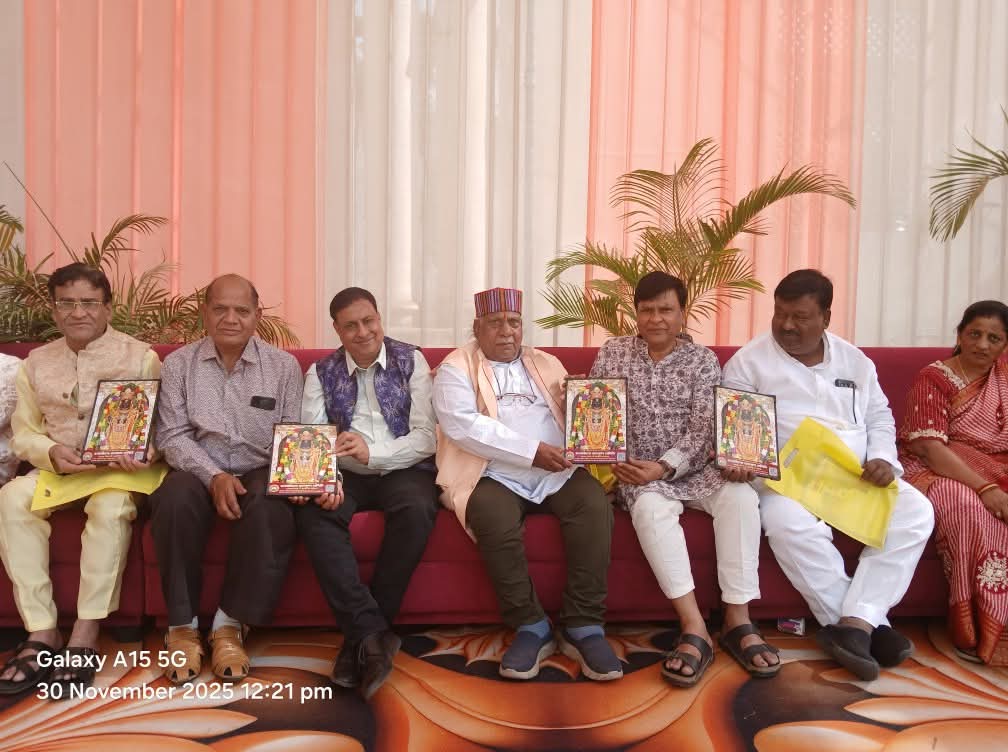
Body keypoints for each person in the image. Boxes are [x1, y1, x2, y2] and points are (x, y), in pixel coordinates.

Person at [722, 269, 935, 681]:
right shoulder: (748, 363)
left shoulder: (855, 361)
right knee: (784, 523)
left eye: (800, 317)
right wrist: (740, 460)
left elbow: (879, 416)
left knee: (916, 513)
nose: (786, 325)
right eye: (780, 314)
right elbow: (739, 435)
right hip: (789, 481)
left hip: (854, 477)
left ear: (826, 317)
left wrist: (883, 458)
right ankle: (865, 625)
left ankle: (854, 624)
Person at [589, 272, 778, 687]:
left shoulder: (702, 360)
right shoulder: (613, 352)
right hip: (638, 473)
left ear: (682, 313)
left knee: (741, 498)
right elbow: (597, 411)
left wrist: (665, 465)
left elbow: (703, 429)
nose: (656, 319)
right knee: (649, 509)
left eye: (666, 310)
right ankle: (694, 627)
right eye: (647, 310)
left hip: (695, 468)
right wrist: (608, 457)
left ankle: (738, 619)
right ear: (636, 313)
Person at [433, 287, 622, 682]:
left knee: (592, 504)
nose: (507, 331)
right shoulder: (455, 367)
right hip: (492, 472)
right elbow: (462, 425)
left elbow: (577, 417)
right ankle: (531, 626)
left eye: (514, 322)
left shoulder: (547, 362)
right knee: (491, 514)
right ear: (477, 328)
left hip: (557, 469)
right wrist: (531, 452)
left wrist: (580, 406)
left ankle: (584, 624)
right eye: (495, 323)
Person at [0, 263, 160, 694]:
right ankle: (42, 631)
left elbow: (160, 425)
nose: (78, 312)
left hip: (118, 473)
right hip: (60, 469)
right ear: (54, 311)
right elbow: (24, 431)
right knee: (12, 498)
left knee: (110, 507)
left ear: (108, 308)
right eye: (67, 303)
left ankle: (86, 633)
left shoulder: (140, 357)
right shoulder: (36, 363)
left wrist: (147, 449)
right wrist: (51, 452)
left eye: (89, 302)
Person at [149, 274, 303, 685]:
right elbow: (171, 436)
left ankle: (229, 626)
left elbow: (291, 435)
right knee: (172, 498)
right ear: (205, 313)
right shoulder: (178, 365)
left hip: (259, 468)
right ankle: (181, 627)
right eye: (220, 309)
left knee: (270, 505)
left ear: (257, 315)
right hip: (198, 466)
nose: (230, 319)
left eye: (241, 310)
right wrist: (213, 475)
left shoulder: (283, 367)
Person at [299, 287, 437, 696]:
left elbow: (426, 437)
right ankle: (373, 636)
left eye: (368, 321)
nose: (362, 332)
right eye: (351, 326)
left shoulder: (411, 360)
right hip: (347, 472)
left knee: (416, 508)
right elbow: (313, 438)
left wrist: (374, 453)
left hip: (404, 466)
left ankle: (359, 639)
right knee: (315, 514)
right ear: (336, 330)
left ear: (379, 318)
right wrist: (326, 478)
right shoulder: (320, 372)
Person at [897, 300, 1008, 664]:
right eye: (974, 334)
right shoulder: (935, 377)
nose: (982, 345)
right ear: (960, 335)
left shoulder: (1004, 378)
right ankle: (977, 628)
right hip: (935, 467)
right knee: (964, 508)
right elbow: (929, 448)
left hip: (997, 470)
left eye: (994, 338)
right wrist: (986, 489)